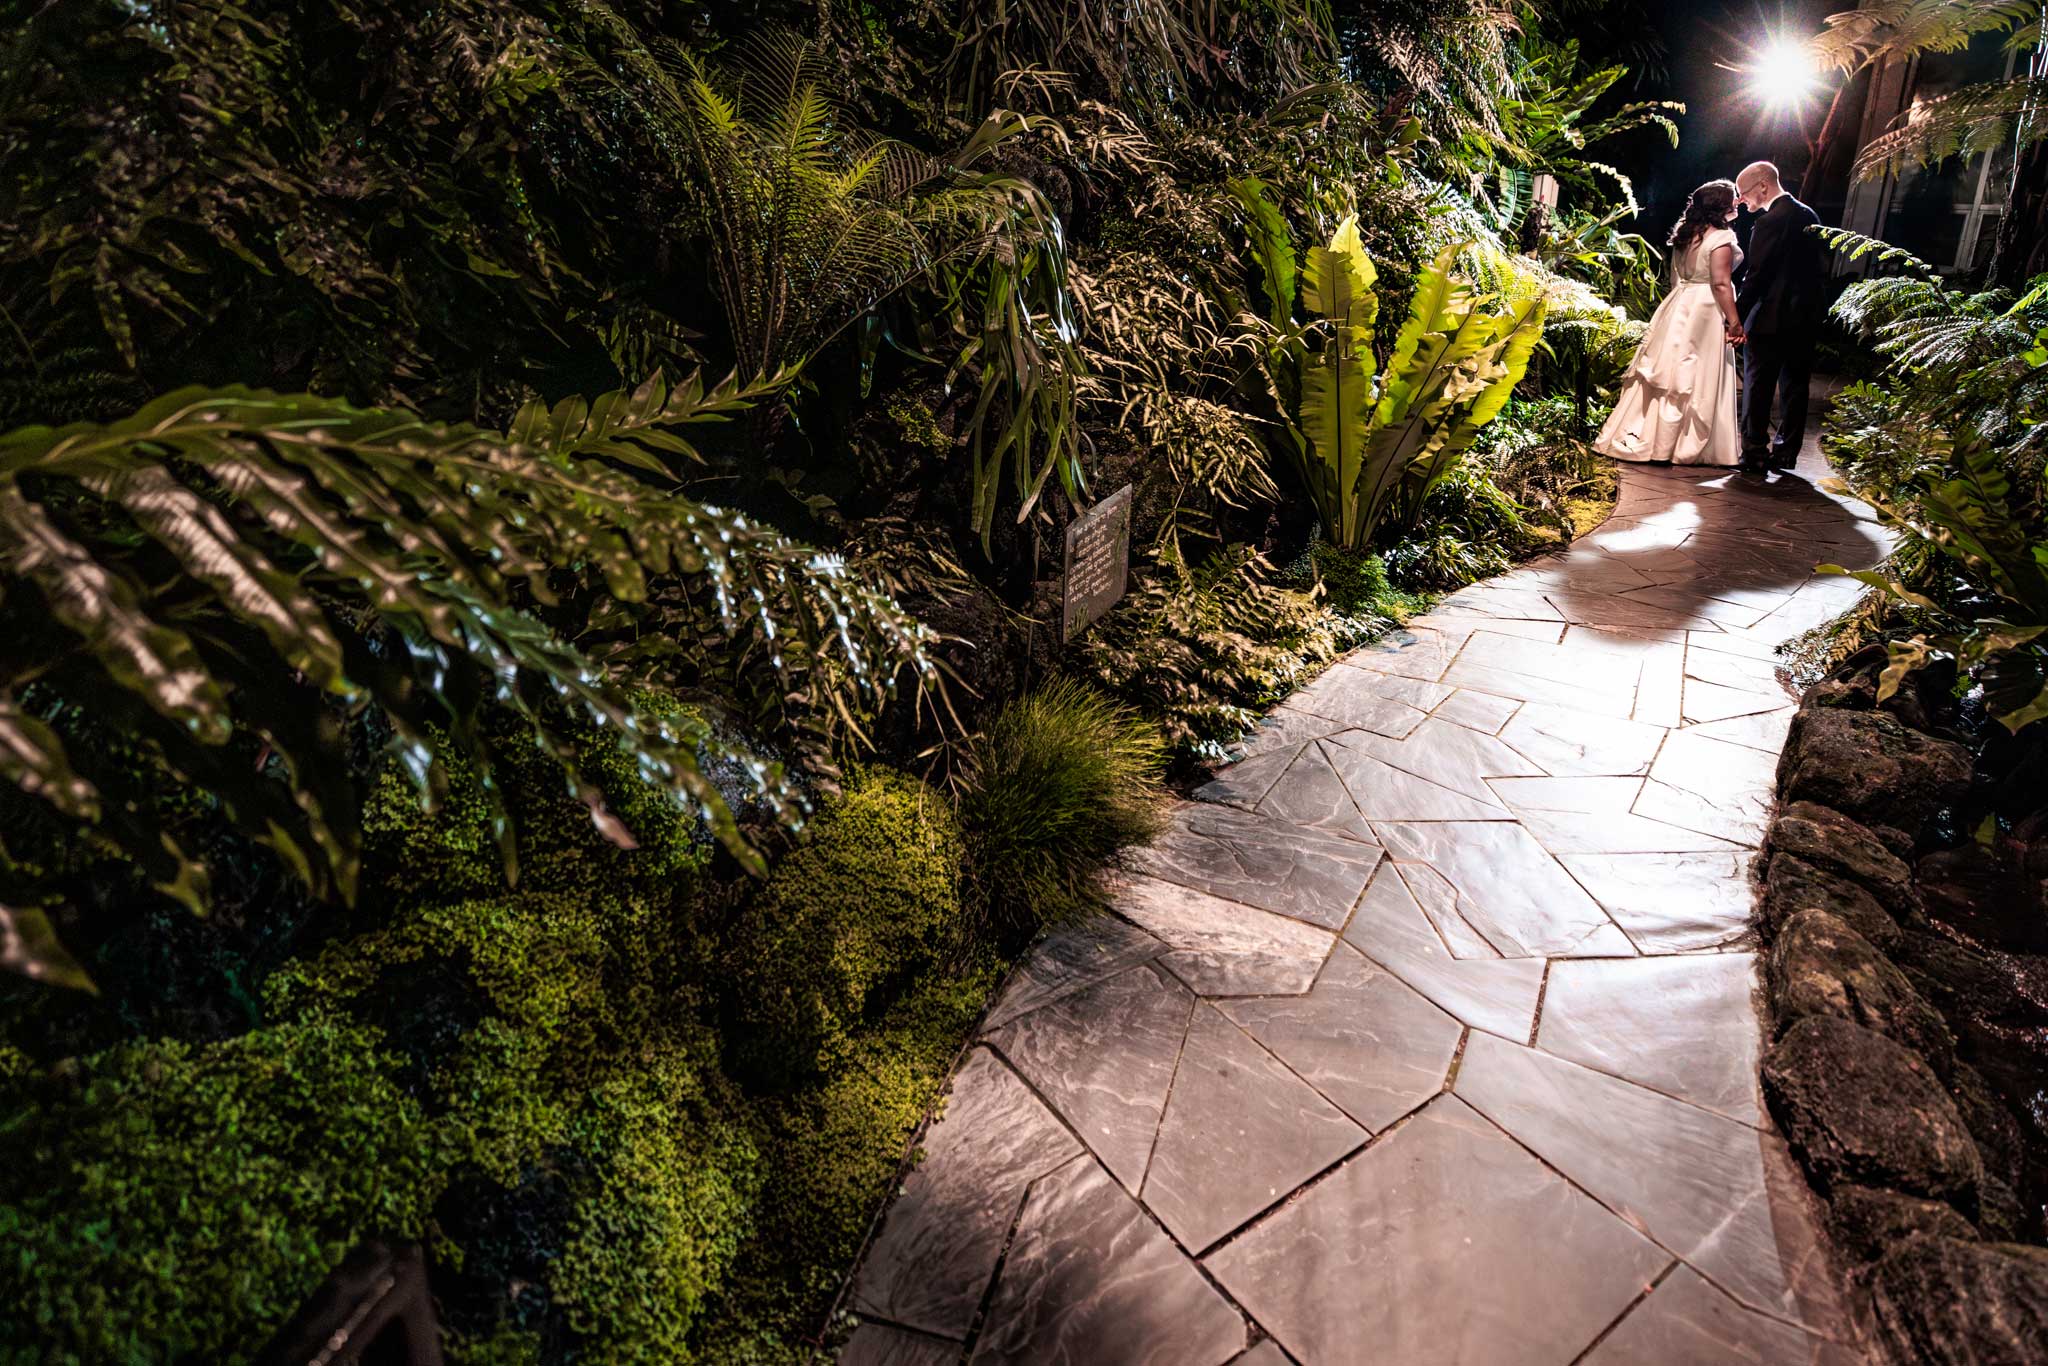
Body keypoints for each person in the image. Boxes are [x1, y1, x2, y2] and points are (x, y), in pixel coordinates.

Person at [1593, 179, 1745, 466]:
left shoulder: (1686, 236)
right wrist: (1734, 322)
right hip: (1705, 308)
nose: (1738, 202)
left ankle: (1651, 441)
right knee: (1693, 372)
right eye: (1733, 198)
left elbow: (1676, 280)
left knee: (1669, 370)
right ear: (1721, 205)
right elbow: (1722, 283)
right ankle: (1679, 445)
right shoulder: (1722, 238)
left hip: (1679, 302)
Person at [1732, 161, 1824, 474]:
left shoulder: (1770, 221)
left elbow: (1757, 275)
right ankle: (1786, 453)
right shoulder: (1809, 214)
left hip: (1771, 316)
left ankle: (1755, 450)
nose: (1742, 200)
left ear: (1762, 186)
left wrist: (1737, 316)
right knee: (1796, 386)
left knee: (1758, 384)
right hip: (1805, 316)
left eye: (1744, 193)